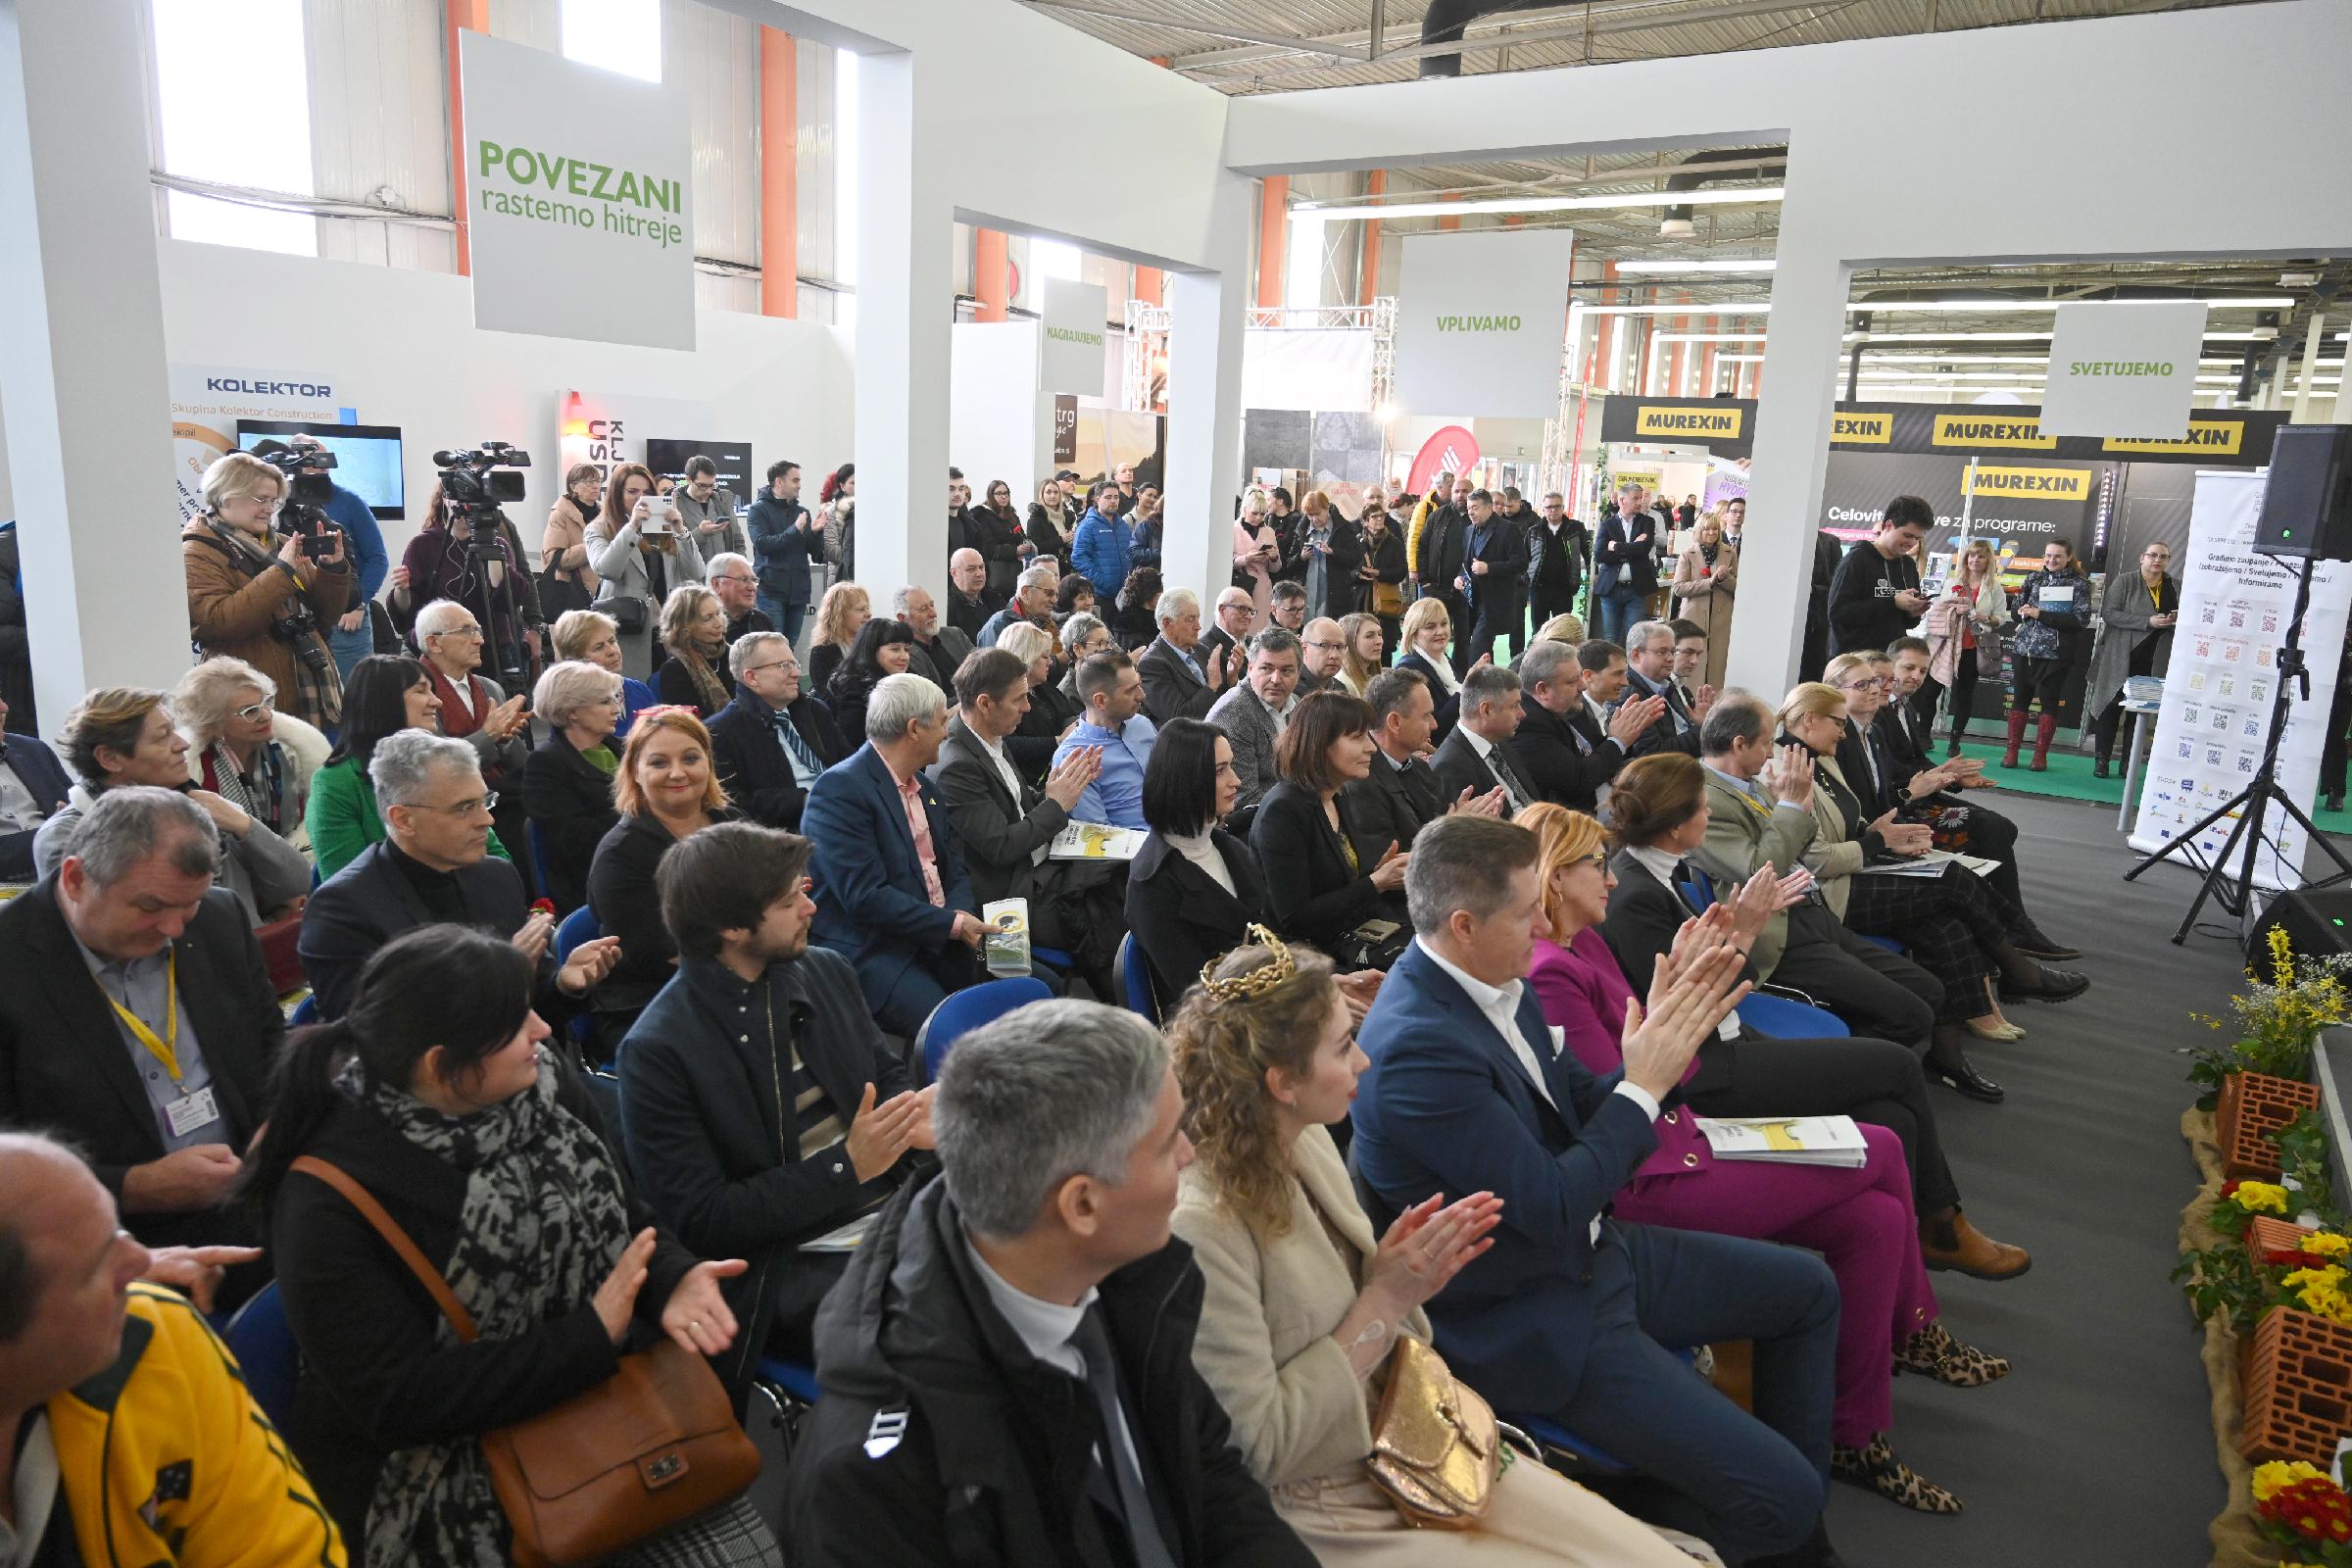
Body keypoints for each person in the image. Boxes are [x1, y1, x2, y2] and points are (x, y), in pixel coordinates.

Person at [1348, 813, 1847, 1568]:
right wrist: (1642, 1087)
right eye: (1526, 911)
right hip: (1530, 1317)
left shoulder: (1494, 980)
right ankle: (1761, 1523)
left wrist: (1664, 1039)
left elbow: (1583, 1101)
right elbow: (1552, 1207)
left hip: (1589, 1260)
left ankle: (1781, 1527)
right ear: (1463, 926)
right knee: (1785, 1497)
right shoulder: (1420, 1049)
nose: (1543, 923)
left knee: (1808, 1291)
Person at [1520, 802, 1999, 1513]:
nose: (1611, 878)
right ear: (1555, 877)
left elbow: (1658, 1056)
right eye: (1596, 865)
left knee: (1872, 1221)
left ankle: (1854, 1432)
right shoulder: (1551, 971)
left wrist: (1701, 973)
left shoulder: (1583, 944)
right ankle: (1916, 1330)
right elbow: (1629, 1095)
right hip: (1648, 1176)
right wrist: (1689, 990)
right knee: (1882, 1145)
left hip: (1677, 1138)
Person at [1166, 938, 1701, 1568]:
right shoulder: (1203, 1229)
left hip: (1406, 1433)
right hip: (1329, 1504)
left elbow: (1358, 1317)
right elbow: (1261, 1449)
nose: (1364, 1059)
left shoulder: (1297, 1138)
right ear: (1282, 1082)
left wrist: (1397, 1281)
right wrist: (1386, 1298)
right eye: (1342, 1046)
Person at [250, 925, 775, 1566]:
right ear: (441, 1067)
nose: (543, 1030)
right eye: (515, 1023)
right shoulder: (327, 1198)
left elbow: (623, 1214)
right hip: (444, 1470)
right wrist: (591, 1334)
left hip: (598, 1397)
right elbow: (399, 1401)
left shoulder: (539, 1084)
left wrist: (670, 1278)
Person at [788, 998, 1316, 1568]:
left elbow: (1209, 1476)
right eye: (1169, 1143)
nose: (1189, 1157)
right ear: (1082, 1204)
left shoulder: (1123, 1274)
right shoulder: (871, 1492)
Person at [1597, 755, 2032, 1276]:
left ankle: (1921, 1241)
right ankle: (1942, 1224)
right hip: (1705, 1068)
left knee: (1892, 1117)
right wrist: (1746, 928)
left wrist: (1739, 928)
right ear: (1674, 826)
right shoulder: (1637, 896)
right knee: (1896, 1065)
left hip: (1726, 1040)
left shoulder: (1655, 875)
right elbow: (1702, 996)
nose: (1709, 814)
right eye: (1702, 807)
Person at [622, 822, 932, 1387]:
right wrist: (847, 1166)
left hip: (896, 1209)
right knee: (953, 1328)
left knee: (1045, 1248)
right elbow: (704, 1222)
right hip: (790, 1262)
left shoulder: (825, 971)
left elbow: (883, 1074)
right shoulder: (658, 1051)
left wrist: (906, 1116)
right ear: (731, 928)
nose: (811, 908)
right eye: (790, 902)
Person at [0, 1133, 345, 1566]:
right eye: (95, 1267)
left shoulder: (153, 1338)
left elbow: (283, 1553)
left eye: (118, 1232)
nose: (143, 1263)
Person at [0, 789, 279, 1290]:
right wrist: (135, 1187)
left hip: (252, 1201)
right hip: (97, 1244)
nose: (172, 929)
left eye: (189, 904)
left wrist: (276, 1126)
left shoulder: (219, 919)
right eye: (150, 906)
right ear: (76, 878)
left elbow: (272, 1047)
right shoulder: (11, 964)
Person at [1777, 680, 2085, 1049]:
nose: (1844, 734)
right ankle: (2016, 964)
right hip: (1829, 896)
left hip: (1856, 870)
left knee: (1946, 925)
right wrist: (1879, 840)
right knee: (1954, 878)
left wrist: (1885, 834)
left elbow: (1850, 820)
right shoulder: (1787, 771)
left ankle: (1947, 1053)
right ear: (1810, 719)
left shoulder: (1822, 757)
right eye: (1838, 723)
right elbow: (1817, 861)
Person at [1691, 693, 1950, 1065]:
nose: (1771, 752)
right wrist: (1791, 807)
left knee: (1928, 989)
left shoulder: (1750, 785)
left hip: (1814, 913)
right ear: (1739, 744)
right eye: (1766, 743)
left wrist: (1800, 810)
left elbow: (1806, 846)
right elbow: (1758, 870)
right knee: (1912, 1015)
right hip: (1780, 935)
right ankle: (1837, 1071)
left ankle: (1856, 1058)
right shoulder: (1704, 799)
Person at [300, 731, 619, 1020]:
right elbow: (369, 1038)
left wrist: (563, 984)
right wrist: (502, 976)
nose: (487, 821)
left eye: (484, 802)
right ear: (403, 820)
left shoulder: (496, 877)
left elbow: (535, 1000)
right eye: (465, 808)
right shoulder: (343, 910)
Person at [1845, 648, 2075, 958]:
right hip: (1902, 807)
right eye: (1907, 669)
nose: (1913, 677)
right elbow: (1892, 779)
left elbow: (1909, 763)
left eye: (1922, 671)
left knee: (2000, 828)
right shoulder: (1872, 720)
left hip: (1911, 797)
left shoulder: (1899, 711)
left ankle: (1998, 922)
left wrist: (1949, 777)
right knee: (1990, 828)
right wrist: (1936, 779)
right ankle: (2007, 926)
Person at [36, 687, 311, 926]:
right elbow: (105, 927)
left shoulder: (200, 805)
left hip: (237, 959)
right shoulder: (68, 835)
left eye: (173, 731)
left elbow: (297, 881)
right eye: (162, 737)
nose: (182, 744)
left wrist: (244, 825)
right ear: (110, 758)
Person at [804, 673, 986, 1032]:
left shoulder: (926, 787)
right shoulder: (840, 790)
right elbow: (865, 896)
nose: (947, 733)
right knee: (952, 1030)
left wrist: (959, 912)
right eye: (942, 722)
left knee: (1037, 986)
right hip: (875, 945)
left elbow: (954, 867)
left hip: (934, 931)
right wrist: (951, 924)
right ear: (914, 729)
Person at [936, 648, 1123, 988]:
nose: (1027, 707)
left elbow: (1018, 804)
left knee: (1123, 872)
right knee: (1107, 911)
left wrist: (1059, 788)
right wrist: (1056, 804)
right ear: (985, 703)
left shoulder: (991, 736)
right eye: (1019, 699)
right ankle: (1121, 997)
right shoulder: (957, 766)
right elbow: (1002, 847)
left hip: (1042, 868)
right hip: (1015, 891)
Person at [587, 709, 740, 1054]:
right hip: (652, 1002)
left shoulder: (730, 821)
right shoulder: (619, 855)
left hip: (737, 977)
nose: (677, 773)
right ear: (634, 772)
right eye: (658, 763)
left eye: (691, 758)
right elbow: (660, 953)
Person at [181, 450, 352, 733]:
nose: (269, 509)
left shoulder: (281, 543)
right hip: (245, 702)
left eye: (274, 501)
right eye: (260, 499)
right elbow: (218, 622)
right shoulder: (196, 551)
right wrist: (281, 573)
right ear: (225, 495)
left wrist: (331, 570)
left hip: (311, 695)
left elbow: (327, 616)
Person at [1251, 691, 1410, 956]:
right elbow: (1294, 918)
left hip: (1343, 937)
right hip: (1306, 957)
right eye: (1357, 737)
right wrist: (1375, 883)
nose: (1371, 747)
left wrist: (1378, 874)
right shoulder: (1283, 811)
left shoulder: (1336, 794)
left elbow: (1336, 886)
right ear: (1320, 744)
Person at [1128, 718, 1273, 1007]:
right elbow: (1199, 994)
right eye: (1220, 771)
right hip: (1222, 1020)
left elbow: (1272, 940)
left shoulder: (1230, 847)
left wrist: (1319, 982)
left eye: (1231, 766)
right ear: (1184, 780)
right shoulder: (1152, 886)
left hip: (1263, 997)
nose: (1236, 781)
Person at [413, 598, 536, 899]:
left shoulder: (489, 687)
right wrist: (488, 735)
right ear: (434, 643)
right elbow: (435, 762)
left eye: (478, 630)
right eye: (467, 631)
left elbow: (519, 764)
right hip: (450, 806)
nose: (480, 639)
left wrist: (505, 739)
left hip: (502, 796)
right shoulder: (417, 693)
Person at [174, 656, 324, 851]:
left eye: (266, 703)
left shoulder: (291, 752)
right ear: (215, 723)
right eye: (250, 711)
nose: (266, 716)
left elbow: (316, 822)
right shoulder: (197, 771)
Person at [387, 484, 537, 679]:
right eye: (459, 497)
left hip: (488, 653)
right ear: (445, 499)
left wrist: (490, 545)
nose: (466, 505)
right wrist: (401, 590)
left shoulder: (499, 545)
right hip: (438, 652)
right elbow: (407, 616)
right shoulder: (422, 545)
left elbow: (511, 600)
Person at [705, 631, 849, 832]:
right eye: (783, 665)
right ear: (752, 677)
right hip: (789, 832)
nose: (796, 673)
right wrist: (803, 800)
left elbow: (847, 761)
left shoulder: (815, 710)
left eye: (794, 663)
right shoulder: (720, 732)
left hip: (843, 811)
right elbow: (731, 803)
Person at [587, 461, 709, 680]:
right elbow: (606, 570)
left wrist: (680, 531)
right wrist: (632, 526)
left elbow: (695, 573)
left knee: (667, 690)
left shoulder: (661, 528)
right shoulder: (599, 528)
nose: (640, 498)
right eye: (632, 492)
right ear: (616, 495)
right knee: (632, 687)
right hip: (627, 629)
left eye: (647, 493)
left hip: (667, 629)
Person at [521, 658, 626, 911]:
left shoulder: (625, 749)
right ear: (573, 712)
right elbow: (574, 841)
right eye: (604, 702)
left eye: (614, 699)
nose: (616, 709)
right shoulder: (545, 764)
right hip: (591, 883)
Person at [1508, 640, 1649, 812]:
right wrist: (1618, 741)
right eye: (1572, 681)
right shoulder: (1527, 724)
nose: (1583, 686)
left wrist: (1623, 730)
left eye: (1580, 677)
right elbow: (1578, 780)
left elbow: (1599, 754)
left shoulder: (1569, 707)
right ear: (1542, 690)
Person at [2087, 540, 2179, 777]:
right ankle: (2102, 761)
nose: (2157, 560)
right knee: (2110, 707)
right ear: (2142, 558)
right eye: (2153, 555)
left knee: (2139, 713)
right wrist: (2147, 622)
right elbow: (2109, 614)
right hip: (2120, 654)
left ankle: (2128, 762)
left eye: (2163, 557)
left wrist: (2173, 621)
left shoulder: (2174, 585)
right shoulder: (2125, 581)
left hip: (2154, 658)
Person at [2003, 538, 2094, 770]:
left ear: (2069, 558)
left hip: (2056, 655)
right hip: (2024, 651)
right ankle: (2012, 752)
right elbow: (2014, 612)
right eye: (2048, 555)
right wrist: (2021, 611)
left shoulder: (2079, 584)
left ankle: (2040, 756)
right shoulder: (2033, 578)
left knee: (2049, 703)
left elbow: (2080, 620)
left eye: (2057, 556)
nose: (2051, 560)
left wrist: (2040, 614)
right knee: (2019, 701)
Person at [1922, 538, 2010, 760]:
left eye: (1981, 556)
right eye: (1972, 555)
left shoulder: (1994, 588)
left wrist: (1984, 617)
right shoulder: (1952, 582)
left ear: (1988, 560)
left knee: (1964, 696)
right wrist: (1954, 610)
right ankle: (1923, 735)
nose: (1975, 560)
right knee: (1930, 692)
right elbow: (1938, 611)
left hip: (1972, 648)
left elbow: (2001, 618)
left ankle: (1955, 740)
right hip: (1946, 646)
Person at [1056, 649, 1157, 830]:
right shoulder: (1073, 757)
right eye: (1131, 690)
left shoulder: (1142, 724)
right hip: (1136, 845)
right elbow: (1099, 834)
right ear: (1101, 701)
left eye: (1139, 684)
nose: (1142, 695)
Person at [1205, 627, 1303, 810]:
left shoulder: (1298, 705)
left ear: (1299, 673)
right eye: (1266, 668)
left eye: (1286, 671)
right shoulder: (1235, 712)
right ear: (1250, 668)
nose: (1276, 679)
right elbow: (1243, 798)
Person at [1431, 664, 1543, 819]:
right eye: (1514, 706)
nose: (1522, 714)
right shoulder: (1450, 766)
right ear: (1486, 710)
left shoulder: (1498, 740)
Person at [1827, 498, 1931, 659]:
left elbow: (1906, 623)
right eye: (1907, 535)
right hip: (1856, 662)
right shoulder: (1856, 560)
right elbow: (1838, 614)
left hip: (1891, 660)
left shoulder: (1908, 565)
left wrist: (1913, 613)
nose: (1911, 543)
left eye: (1917, 538)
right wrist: (1892, 602)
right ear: (1888, 525)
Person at [551, 607, 659, 737]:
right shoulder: (574, 707)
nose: (612, 651)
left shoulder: (639, 690)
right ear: (577, 660)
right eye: (599, 647)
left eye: (612, 641)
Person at [747, 458, 821, 643]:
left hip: (799, 591)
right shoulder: (757, 510)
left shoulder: (802, 512)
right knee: (773, 645)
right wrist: (794, 531)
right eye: (795, 480)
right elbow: (763, 545)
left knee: (791, 644)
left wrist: (816, 532)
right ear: (779, 482)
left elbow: (815, 552)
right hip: (771, 590)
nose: (799, 485)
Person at [0, 694, 70, 883]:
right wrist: (54, 835)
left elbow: (76, 814)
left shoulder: (33, 750)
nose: (4, 707)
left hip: (64, 873)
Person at [1138, 587, 1233, 725]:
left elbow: (1220, 699)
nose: (1198, 626)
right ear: (1167, 623)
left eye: (1197, 618)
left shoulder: (1202, 650)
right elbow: (1178, 718)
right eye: (1190, 619)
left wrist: (1231, 679)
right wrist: (1211, 686)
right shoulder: (1152, 663)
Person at [1456, 488, 1529, 667]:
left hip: (1494, 601)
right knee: (1476, 650)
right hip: (1470, 599)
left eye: (1475, 508)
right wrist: (1459, 578)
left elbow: (1521, 563)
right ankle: (1490, 681)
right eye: (1469, 508)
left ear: (1489, 508)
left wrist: (1489, 568)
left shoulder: (1508, 529)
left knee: (1477, 649)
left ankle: (1477, 681)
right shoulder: (1467, 531)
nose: (1470, 512)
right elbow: (1464, 563)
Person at [998, 618, 1078, 777]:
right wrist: (1058, 740)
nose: (1050, 662)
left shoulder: (1043, 687)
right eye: (1045, 656)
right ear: (1026, 657)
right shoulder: (1003, 697)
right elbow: (1005, 744)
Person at [826, 615, 920, 748]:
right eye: (895, 649)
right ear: (872, 650)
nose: (904, 656)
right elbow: (857, 744)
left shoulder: (909, 679)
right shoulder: (853, 690)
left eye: (907, 649)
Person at [1671, 508, 1739, 688]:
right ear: (1699, 531)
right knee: (1693, 663)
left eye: (1715, 529)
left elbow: (1738, 589)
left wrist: (1725, 579)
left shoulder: (1730, 553)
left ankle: (1714, 701)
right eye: (1707, 529)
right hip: (1693, 617)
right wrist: (1709, 582)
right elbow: (1678, 588)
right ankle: (1689, 698)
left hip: (1721, 619)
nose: (1711, 533)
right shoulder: (1687, 554)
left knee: (1718, 665)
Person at [1619, 619, 1708, 757]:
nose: (1671, 658)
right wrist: (1702, 728)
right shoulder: (1629, 696)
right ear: (1636, 655)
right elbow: (1654, 755)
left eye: (1673, 651)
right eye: (1662, 652)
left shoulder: (1668, 686)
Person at [1414, 477, 1475, 673]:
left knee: (1464, 640)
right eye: (1457, 491)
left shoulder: (1477, 519)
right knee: (1432, 636)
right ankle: (1432, 674)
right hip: (1437, 589)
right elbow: (1422, 547)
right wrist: (1424, 581)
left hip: (1466, 592)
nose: (1460, 495)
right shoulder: (1437, 516)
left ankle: (1460, 679)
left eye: (1465, 491)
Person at [1592, 480, 1660, 648]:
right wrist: (1632, 548)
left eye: (1641, 498)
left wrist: (1616, 547)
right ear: (1622, 500)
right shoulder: (1607, 524)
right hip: (1611, 589)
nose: (1640, 502)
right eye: (1635, 498)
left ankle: (1631, 666)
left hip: (1637, 589)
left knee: (1634, 640)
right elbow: (1600, 555)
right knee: (1610, 638)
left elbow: (1643, 549)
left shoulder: (1647, 522)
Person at [654, 582, 738, 713]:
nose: (718, 623)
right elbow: (690, 723)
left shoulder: (733, 654)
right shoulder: (674, 670)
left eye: (718, 614)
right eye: (707, 618)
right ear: (685, 627)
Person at [1395, 595, 1466, 739]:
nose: (1441, 631)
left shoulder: (1445, 660)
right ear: (1413, 633)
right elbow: (1432, 728)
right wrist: (1465, 690)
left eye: (1444, 624)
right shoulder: (1408, 668)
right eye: (1430, 627)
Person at [542, 460, 607, 614]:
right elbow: (554, 558)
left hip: (605, 592)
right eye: (589, 481)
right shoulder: (560, 514)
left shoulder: (606, 512)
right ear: (573, 487)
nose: (595, 485)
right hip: (574, 596)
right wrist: (594, 545)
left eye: (598, 480)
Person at [897, 582, 975, 699]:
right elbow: (926, 702)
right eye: (923, 609)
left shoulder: (955, 635)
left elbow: (981, 669)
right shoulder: (902, 655)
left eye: (932, 605)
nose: (933, 613)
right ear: (903, 618)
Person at [1528, 491, 1590, 636]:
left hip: (1564, 589)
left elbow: (1588, 553)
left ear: (1563, 508)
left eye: (1557, 506)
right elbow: (1524, 557)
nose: (1553, 510)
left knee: (1563, 632)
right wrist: (1527, 578)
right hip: (1539, 589)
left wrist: (1592, 574)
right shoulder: (1534, 531)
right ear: (1543, 510)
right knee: (1538, 631)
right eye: (1549, 507)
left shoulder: (1576, 528)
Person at [1352, 501, 1408, 653]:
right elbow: (1348, 568)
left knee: (1385, 647)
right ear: (1365, 521)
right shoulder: (1357, 542)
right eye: (1374, 516)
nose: (1379, 519)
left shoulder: (1394, 543)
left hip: (1386, 603)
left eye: (1382, 516)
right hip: (1362, 600)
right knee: (1361, 646)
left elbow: (1402, 571)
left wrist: (1380, 573)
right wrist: (1357, 574)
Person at [965, 478, 1032, 602]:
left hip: (1016, 572)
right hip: (997, 574)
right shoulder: (982, 515)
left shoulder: (1012, 515)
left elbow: (1022, 537)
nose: (1004, 497)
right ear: (991, 495)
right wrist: (1015, 550)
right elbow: (988, 549)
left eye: (1006, 493)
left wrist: (1025, 546)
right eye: (999, 493)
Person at [673, 453, 748, 559]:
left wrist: (739, 563)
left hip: (723, 568)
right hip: (692, 569)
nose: (708, 491)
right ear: (689, 480)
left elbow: (738, 541)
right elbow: (672, 548)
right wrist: (700, 533)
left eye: (712, 485)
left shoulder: (723, 501)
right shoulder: (675, 505)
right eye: (702, 486)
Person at [1072, 481, 1134, 605]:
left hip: (1124, 595)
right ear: (1097, 499)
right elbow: (1078, 558)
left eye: (1116, 497)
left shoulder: (1123, 525)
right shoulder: (1087, 526)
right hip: (1100, 596)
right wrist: (1101, 581)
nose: (1113, 501)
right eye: (1108, 497)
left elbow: (1129, 554)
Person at [808, 579, 872, 695]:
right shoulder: (822, 652)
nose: (868, 614)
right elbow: (826, 695)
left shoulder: (873, 646)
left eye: (868, 608)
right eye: (861, 609)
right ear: (839, 614)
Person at [703, 550, 776, 648]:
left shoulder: (762, 621)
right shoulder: (702, 629)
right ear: (717, 584)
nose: (752, 587)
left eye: (754, 580)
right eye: (744, 580)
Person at [1233, 487, 1283, 619]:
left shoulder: (1269, 532)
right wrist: (1246, 559)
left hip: (1263, 588)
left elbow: (1276, 568)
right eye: (1254, 513)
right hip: (1240, 586)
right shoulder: (1233, 529)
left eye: (1262, 514)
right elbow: (1225, 563)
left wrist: (1274, 558)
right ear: (1245, 509)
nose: (1258, 518)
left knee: (1261, 627)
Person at [979, 564, 1055, 650]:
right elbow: (995, 658)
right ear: (1025, 592)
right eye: (1049, 593)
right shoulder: (998, 625)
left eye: (1056, 595)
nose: (1054, 600)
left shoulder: (1048, 623)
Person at [1199, 586, 1257, 678]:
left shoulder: (1255, 643)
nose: (1248, 616)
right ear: (1223, 610)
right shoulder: (1204, 648)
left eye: (1251, 611)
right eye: (1242, 609)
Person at [1057, 611, 1113, 705]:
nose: (1109, 648)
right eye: (1101, 643)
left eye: (1108, 642)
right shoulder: (1068, 693)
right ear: (1078, 649)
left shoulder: (1110, 676)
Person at [947, 547, 1000, 642]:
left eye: (981, 567)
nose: (979, 574)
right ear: (954, 573)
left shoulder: (995, 597)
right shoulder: (947, 607)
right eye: (971, 569)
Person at [1110, 564, 1164, 651]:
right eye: (1160, 590)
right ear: (1151, 594)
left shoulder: (1122, 621)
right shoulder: (1143, 627)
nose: (1162, 594)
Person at [1334, 612, 1385, 698]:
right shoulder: (1343, 684)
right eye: (1369, 636)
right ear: (1350, 641)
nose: (1379, 641)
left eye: (1380, 634)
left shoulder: (1376, 677)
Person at [819, 462, 858, 579]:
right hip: (840, 577)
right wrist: (860, 552)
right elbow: (831, 551)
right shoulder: (831, 511)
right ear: (842, 486)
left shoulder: (866, 510)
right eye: (853, 483)